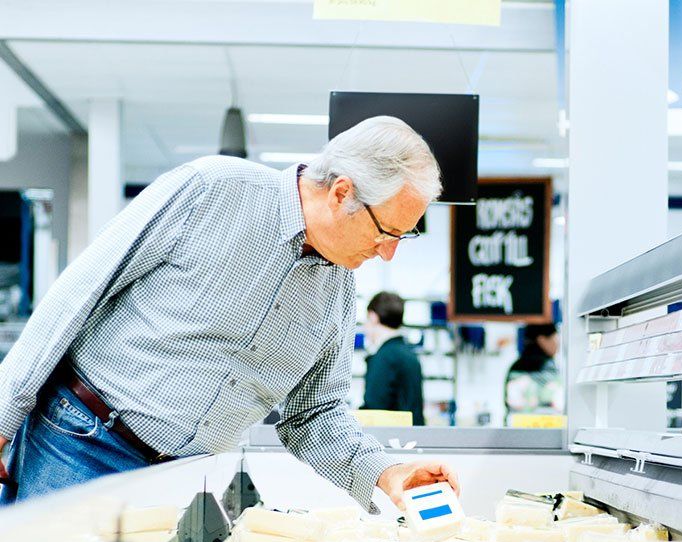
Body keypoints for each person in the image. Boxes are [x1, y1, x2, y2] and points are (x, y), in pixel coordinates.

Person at [0, 116, 458, 511]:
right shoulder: (211, 191)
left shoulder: (337, 289)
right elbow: (77, 295)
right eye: (387, 232)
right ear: (342, 193)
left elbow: (316, 413)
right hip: (79, 445)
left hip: (185, 484)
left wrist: (387, 472)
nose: (390, 253)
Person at [361, 291, 425, 425]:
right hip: (413, 438)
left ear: (373, 317)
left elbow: (374, 408)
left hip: (391, 441)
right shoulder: (410, 355)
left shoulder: (383, 358)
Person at [504, 323, 563, 421]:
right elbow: (558, 403)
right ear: (542, 340)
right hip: (546, 429)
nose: (558, 344)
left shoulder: (515, 366)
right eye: (555, 338)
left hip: (516, 429)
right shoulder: (548, 367)